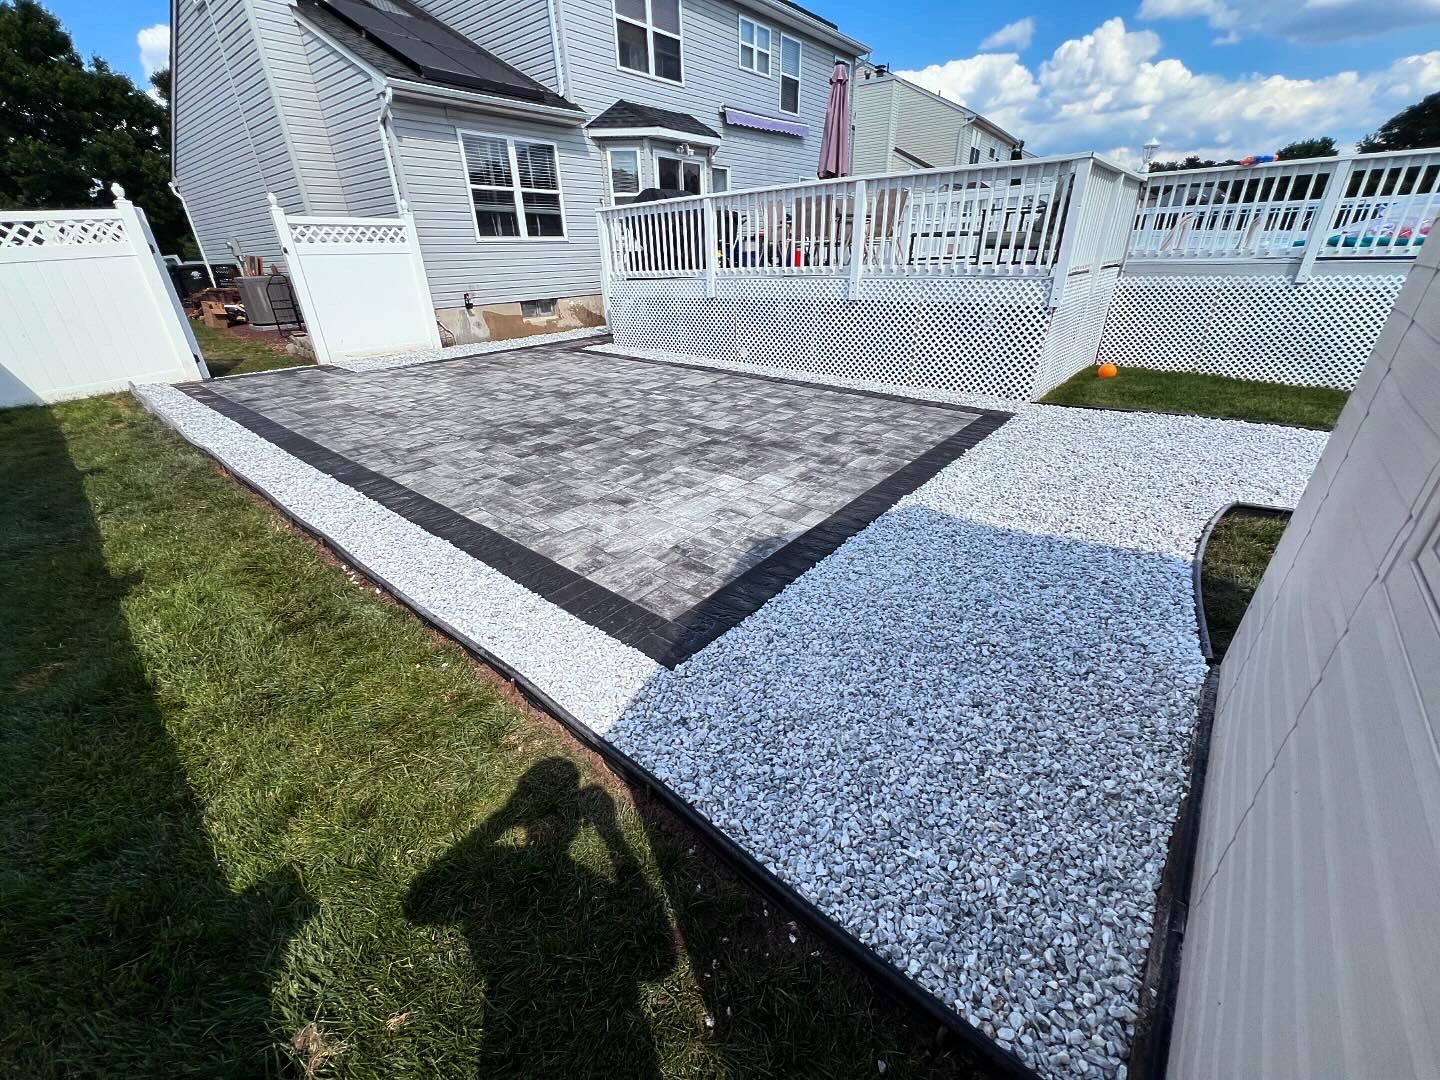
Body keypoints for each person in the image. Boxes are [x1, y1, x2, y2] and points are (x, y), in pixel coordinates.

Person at [405, 758, 676, 1078]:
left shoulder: (508, 865)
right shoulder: (585, 883)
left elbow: (419, 907)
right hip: (611, 1036)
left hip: (511, 1031)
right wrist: (611, 834)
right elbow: (658, 961)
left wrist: (505, 816)